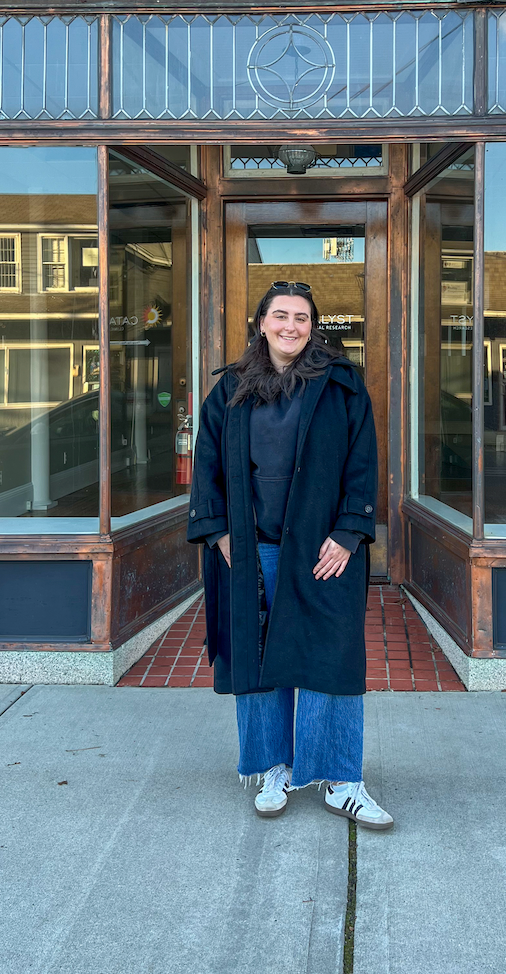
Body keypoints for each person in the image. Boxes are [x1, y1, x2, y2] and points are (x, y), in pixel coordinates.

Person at [186, 280, 392, 830]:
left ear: (313, 326)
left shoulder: (342, 385)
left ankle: (342, 780)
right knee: (258, 661)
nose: (290, 326)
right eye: (280, 315)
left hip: (324, 551)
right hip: (251, 549)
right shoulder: (230, 389)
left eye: (301, 317)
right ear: (261, 323)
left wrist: (349, 532)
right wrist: (219, 535)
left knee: (331, 660)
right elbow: (206, 465)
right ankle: (273, 767)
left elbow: (363, 462)